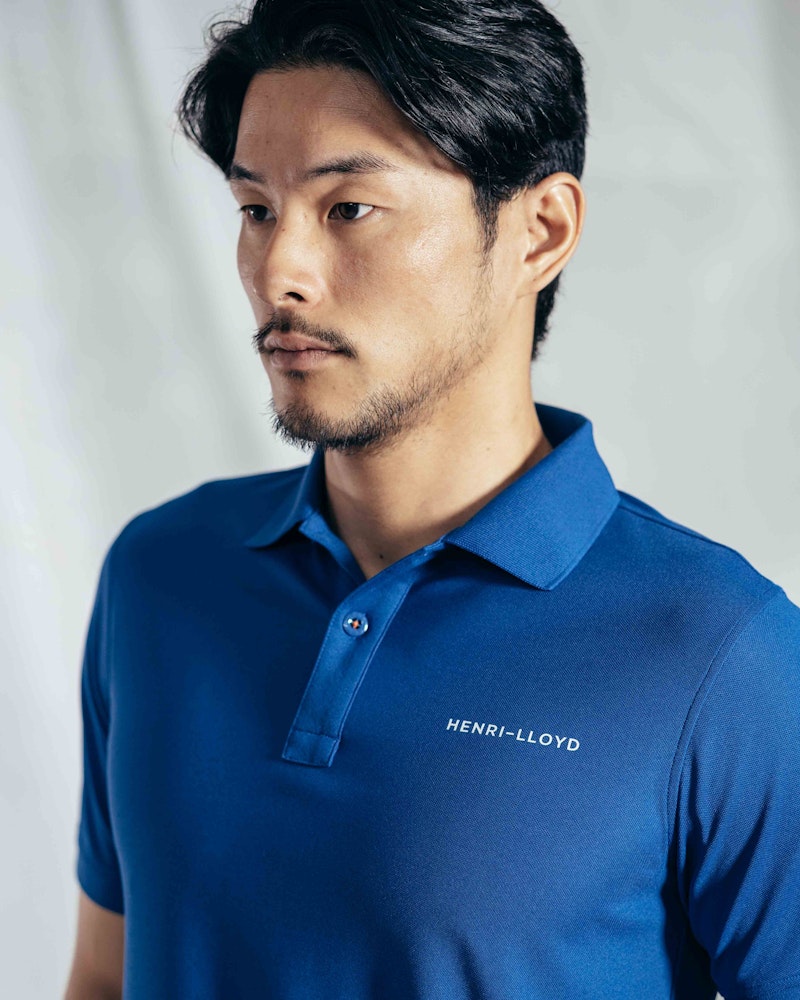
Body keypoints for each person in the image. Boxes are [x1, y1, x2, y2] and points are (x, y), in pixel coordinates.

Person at [64, 0, 800, 997]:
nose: (278, 271)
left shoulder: (723, 653)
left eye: (347, 208)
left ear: (539, 231)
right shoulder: (160, 574)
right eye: (255, 209)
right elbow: (102, 976)